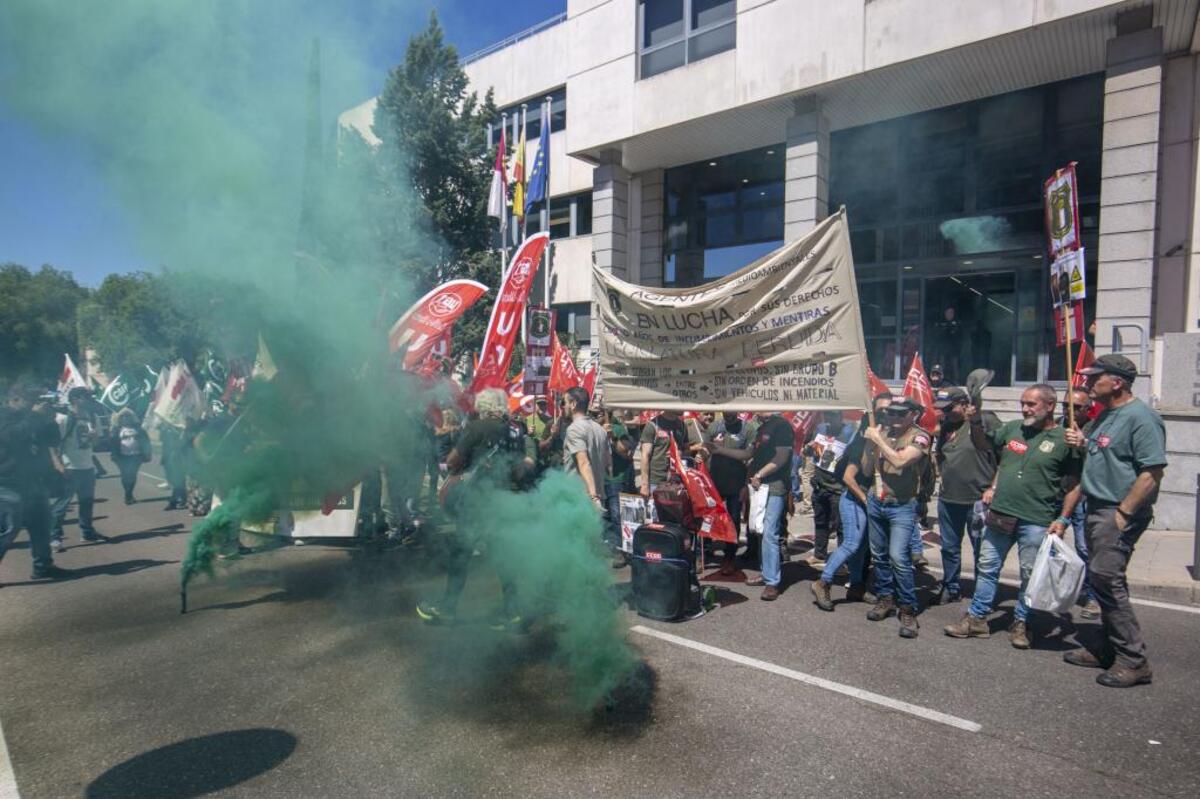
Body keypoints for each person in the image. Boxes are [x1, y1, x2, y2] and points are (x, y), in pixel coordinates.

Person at [944, 385, 1081, 650]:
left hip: (1036, 518)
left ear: (1050, 405)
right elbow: (984, 444)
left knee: (1030, 574)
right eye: (1023, 403)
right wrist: (974, 421)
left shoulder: (1066, 440)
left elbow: (1075, 486)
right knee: (987, 567)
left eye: (1032, 404)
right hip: (1000, 514)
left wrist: (1063, 520)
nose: (1026, 409)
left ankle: (1022, 622)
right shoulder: (1014, 428)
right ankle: (977, 618)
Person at [1061, 354, 1166, 688]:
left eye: (1096, 378)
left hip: (1116, 511)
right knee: (1102, 579)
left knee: (1107, 578)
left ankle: (1134, 661)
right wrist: (1084, 441)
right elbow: (1105, 450)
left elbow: (1152, 472)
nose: (1089, 383)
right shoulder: (1106, 415)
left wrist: (1123, 513)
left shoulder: (1142, 417)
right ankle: (1108, 647)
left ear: (1117, 382)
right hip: (1096, 507)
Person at [417, 388, 535, 630]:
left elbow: (452, 461)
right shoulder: (515, 431)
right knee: (503, 558)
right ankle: (512, 613)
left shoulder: (476, 427)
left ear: (484, 407)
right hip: (501, 502)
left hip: (476, 504)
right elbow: (519, 470)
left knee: (460, 556)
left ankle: (447, 609)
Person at [811, 393, 892, 610]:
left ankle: (857, 585)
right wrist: (866, 500)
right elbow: (848, 477)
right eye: (881, 410)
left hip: (871, 501)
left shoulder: (889, 438)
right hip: (854, 498)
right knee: (851, 543)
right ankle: (823, 581)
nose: (886, 414)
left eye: (889, 410)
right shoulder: (861, 440)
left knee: (862, 548)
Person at [860, 397, 930, 638]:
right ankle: (885, 597)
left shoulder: (919, 436)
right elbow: (867, 469)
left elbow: (901, 461)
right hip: (877, 500)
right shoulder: (883, 432)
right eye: (890, 413)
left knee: (898, 557)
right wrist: (870, 445)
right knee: (879, 556)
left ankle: (908, 607)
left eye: (900, 414)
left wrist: (879, 440)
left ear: (913, 414)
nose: (894, 418)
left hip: (901, 504)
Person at [706, 413, 793, 601]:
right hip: (758, 486)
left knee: (770, 533)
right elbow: (749, 455)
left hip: (774, 486)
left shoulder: (782, 426)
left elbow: (782, 457)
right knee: (760, 531)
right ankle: (766, 572)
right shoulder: (761, 426)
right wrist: (719, 450)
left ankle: (772, 582)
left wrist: (760, 474)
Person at [931, 387, 999, 604]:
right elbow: (941, 455)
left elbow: (1004, 456)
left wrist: (993, 487)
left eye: (950, 408)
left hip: (978, 499)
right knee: (949, 548)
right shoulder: (946, 426)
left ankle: (983, 592)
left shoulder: (985, 420)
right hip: (949, 498)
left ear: (964, 403)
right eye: (943, 409)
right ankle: (951, 586)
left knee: (982, 549)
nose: (946, 413)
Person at [0, 383, 72, 581]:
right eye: (28, 400)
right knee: (9, 529)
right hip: (7, 482)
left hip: (34, 481)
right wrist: (36, 416)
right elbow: (11, 437)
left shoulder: (34, 418)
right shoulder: (4, 416)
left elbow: (53, 440)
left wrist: (49, 421)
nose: (33, 404)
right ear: (13, 399)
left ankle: (43, 566)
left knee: (41, 526)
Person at [1062, 387, 1100, 619]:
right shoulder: (1056, 426)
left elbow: (1101, 459)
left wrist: (1084, 442)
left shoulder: (1096, 428)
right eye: (1066, 405)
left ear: (1088, 408)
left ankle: (1093, 596)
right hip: (1057, 494)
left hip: (1083, 497)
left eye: (1077, 407)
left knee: (1085, 547)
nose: (1070, 411)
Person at [51, 386, 105, 547]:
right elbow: (53, 445)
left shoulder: (94, 418)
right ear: (75, 399)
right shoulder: (63, 419)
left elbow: (96, 444)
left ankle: (87, 532)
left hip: (87, 467)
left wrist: (95, 437)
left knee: (87, 502)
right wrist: (58, 463)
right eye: (85, 397)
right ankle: (54, 536)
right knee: (63, 504)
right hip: (70, 468)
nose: (89, 400)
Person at [705, 411, 755, 574]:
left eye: (732, 413)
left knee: (733, 521)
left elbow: (749, 456)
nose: (729, 416)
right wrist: (703, 453)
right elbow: (705, 450)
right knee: (708, 518)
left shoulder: (748, 429)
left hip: (736, 483)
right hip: (714, 481)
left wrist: (746, 485)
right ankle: (705, 551)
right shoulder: (714, 426)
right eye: (726, 413)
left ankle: (730, 557)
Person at [806, 411, 857, 564]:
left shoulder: (849, 432)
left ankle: (842, 561)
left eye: (833, 416)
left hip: (838, 487)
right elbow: (814, 452)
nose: (829, 420)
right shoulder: (821, 429)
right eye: (827, 416)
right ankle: (819, 554)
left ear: (841, 417)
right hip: (820, 484)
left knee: (840, 526)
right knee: (821, 521)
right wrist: (810, 449)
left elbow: (854, 457)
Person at [562, 387, 610, 516]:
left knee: (574, 536)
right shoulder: (600, 429)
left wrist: (593, 497)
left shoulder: (574, 429)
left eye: (564, 402)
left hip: (581, 499)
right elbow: (607, 464)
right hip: (598, 497)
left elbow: (583, 463)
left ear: (573, 404)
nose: (563, 407)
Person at [602, 410, 635, 567]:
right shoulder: (593, 427)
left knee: (617, 517)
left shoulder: (618, 429)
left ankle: (622, 552)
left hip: (616, 480)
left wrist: (613, 439)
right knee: (604, 517)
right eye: (593, 413)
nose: (596, 416)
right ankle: (610, 548)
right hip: (599, 479)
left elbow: (625, 452)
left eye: (599, 413)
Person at [637, 410, 693, 500]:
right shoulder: (653, 425)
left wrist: (679, 453)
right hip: (656, 481)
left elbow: (687, 450)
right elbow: (645, 455)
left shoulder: (682, 425)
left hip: (676, 481)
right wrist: (644, 485)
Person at [109, 408, 151, 505]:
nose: (125, 418)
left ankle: (128, 495)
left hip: (136, 455)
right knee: (125, 475)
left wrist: (147, 453)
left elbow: (146, 441)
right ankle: (128, 494)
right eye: (122, 416)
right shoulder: (116, 430)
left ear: (132, 417)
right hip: (121, 456)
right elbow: (111, 443)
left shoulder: (138, 429)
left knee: (132, 475)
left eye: (127, 416)